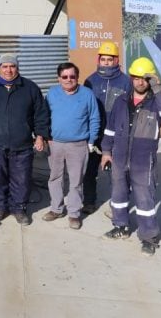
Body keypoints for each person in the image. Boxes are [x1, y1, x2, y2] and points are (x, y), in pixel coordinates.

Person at [101, 57, 161, 256]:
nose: (140, 82)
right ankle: (121, 226)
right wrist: (106, 153)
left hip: (143, 161)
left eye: (145, 78)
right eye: (136, 78)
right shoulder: (120, 100)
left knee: (145, 200)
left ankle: (149, 237)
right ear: (131, 78)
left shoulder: (157, 103)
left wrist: (158, 87)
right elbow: (110, 129)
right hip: (118, 158)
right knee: (118, 196)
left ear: (151, 79)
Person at [0, 53, 49, 226]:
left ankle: (19, 208)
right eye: (4, 66)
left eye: (12, 66)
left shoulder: (30, 88)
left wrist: (40, 135)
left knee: (21, 179)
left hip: (22, 144)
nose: (8, 70)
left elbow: (40, 113)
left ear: (17, 68)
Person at [43, 62, 100, 230]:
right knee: (55, 178)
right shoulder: (52, 94)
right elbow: (44, 116)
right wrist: (45, 137)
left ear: (77, 77)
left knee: (76, 181)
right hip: (55, 144)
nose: (69, 80)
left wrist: (91, 140)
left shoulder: (87, 94)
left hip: (78, 145)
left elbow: (94, 118)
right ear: (58, 78)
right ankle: (56, 209)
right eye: (65, 77)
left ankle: (74, 213)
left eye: (72, 76)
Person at [82, 41, 132, 215]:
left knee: (116, 171)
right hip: (95, 133)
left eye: (110, 60)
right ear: (99, 60)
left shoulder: (126, 82)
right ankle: (89, 201)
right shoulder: (90, 81)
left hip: (117, 134)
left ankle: (116, 203)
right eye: (103, 59)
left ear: (116, 60)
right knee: (90, 169)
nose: (106, 63)